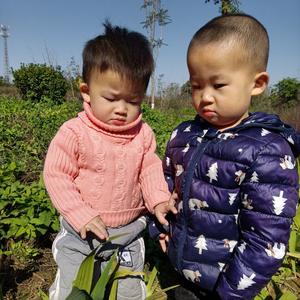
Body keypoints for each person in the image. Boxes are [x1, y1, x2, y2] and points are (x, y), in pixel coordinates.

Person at [150, 14, 300, 299]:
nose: (205, 96)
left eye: (218, 86)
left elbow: (265, 240)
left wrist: (229, 293)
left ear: (257, 84)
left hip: (224, 285)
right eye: (196, 85)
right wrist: (157, 226)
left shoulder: (267, 151)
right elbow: (165, 184)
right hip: (179, 268)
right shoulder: (183, 134)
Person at [43, 21, 176, 300]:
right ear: (86, 91)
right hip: (81, 233)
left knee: (128, 289)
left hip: (128, 233)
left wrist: (159, 200)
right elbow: (57, 176)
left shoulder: (143, 133)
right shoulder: (74, 132)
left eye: (133, 100)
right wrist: (81, 213)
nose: (122, 109)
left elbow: (149, 170)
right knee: (74, 288)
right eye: (112, 98)